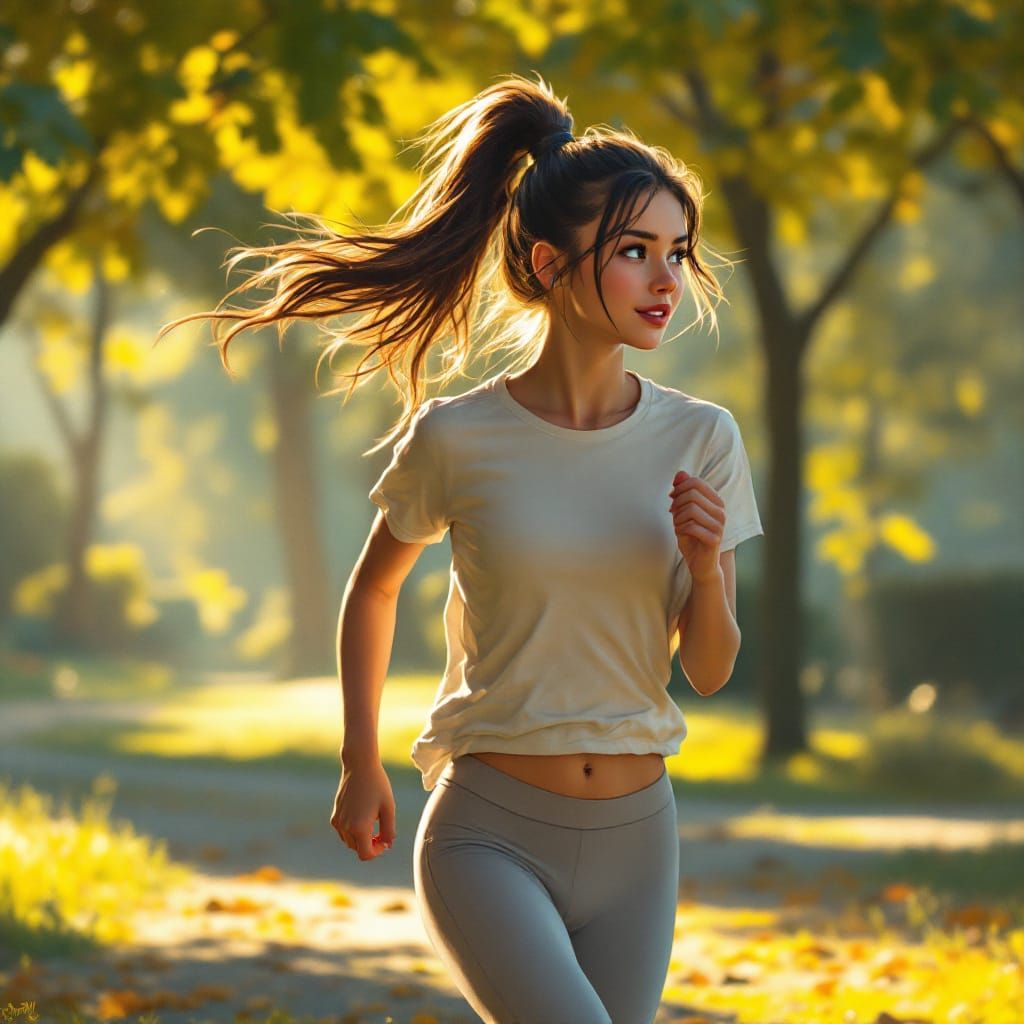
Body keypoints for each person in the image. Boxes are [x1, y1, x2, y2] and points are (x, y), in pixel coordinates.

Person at [158, 72, 763, 1024]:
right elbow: (373, 592)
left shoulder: (704, 440)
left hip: (641, 837)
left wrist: (706, 566)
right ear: (550, 263)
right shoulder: (458, 436)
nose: (666, 280)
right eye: (636, 250)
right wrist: (361, 759)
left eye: (678, 254)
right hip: (490, 834)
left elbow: (715, 668)